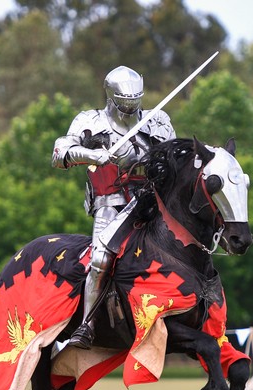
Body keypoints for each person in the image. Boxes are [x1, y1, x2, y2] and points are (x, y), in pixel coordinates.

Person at [51, 65, 175, 348]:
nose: (130, 109)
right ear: (111, 96)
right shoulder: (90, 121)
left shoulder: (159, 121)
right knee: (100, 260)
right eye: (124, 104)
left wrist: (142, 159)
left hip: (150, 204)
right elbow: (59, 153)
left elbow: (172, 162)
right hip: (110, 204)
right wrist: (93, 153)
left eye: (134, 102)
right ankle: (86, 326)